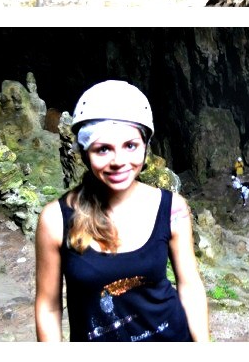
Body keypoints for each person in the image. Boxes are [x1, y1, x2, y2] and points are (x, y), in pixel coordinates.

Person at [34, 80, 208, 342]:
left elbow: (190, 286)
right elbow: (48, 307)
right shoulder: (56, 220)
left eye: (130, 145)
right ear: (85, 154)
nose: (119, 162)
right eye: (103, 149)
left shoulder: (173, 208)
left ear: (145, 146)